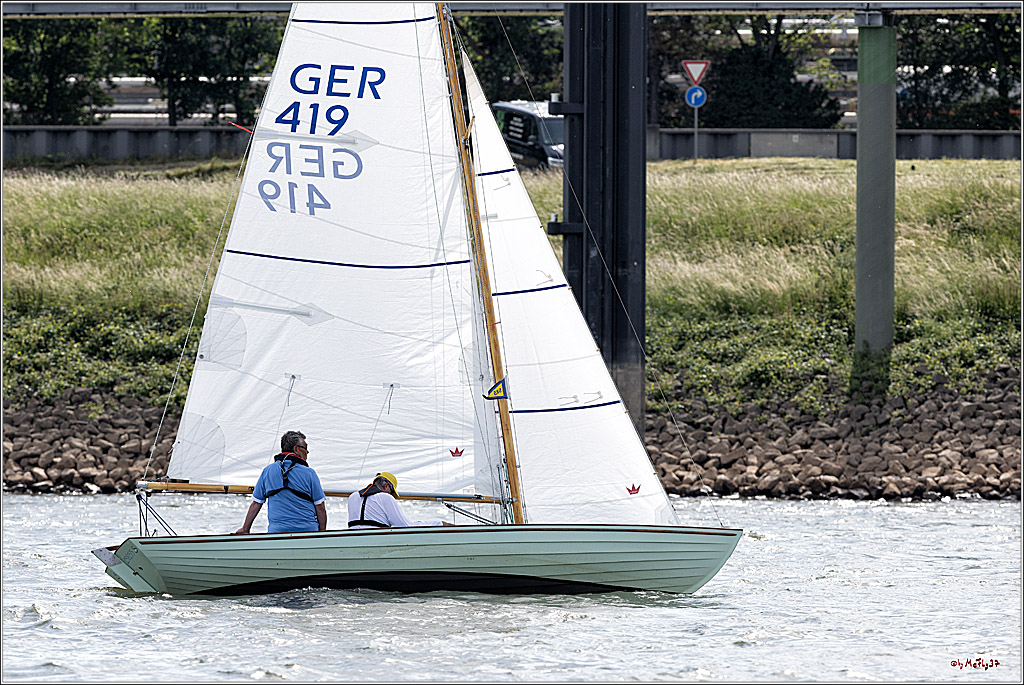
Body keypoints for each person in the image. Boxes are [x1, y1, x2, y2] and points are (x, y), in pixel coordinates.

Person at [235, 430, 327, 534]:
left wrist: (245, 529)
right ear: (296, 449)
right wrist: (322, 533)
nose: (308, 452)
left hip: (277, 534)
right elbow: (320, 507)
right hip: (308, 532)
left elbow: (256, 504)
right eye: (305, 448)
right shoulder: (309, 473)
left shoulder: (267, 471)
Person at [348, 472, 453, 529]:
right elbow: (405, 526)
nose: (391, 495)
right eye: (391, 492)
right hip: (375, 541)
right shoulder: (385, 497)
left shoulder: (353, 496)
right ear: (386, 486)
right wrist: (439, 523)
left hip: (352, 540)